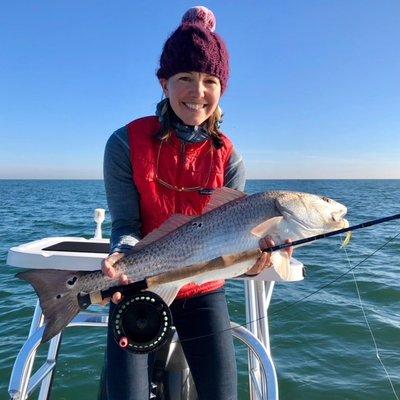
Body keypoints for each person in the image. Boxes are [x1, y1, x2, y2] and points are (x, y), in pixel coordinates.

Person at [100, 6, 292, 400]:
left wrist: (258, 262)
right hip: (142, 282)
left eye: (210, 80)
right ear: (164, 82)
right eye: (185, 78)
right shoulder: (123, 143)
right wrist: (122, 256)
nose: (197, 92)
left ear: (222, 88)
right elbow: (125, 226)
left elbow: (238, 243)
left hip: (203, 288)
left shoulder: (230, 157)